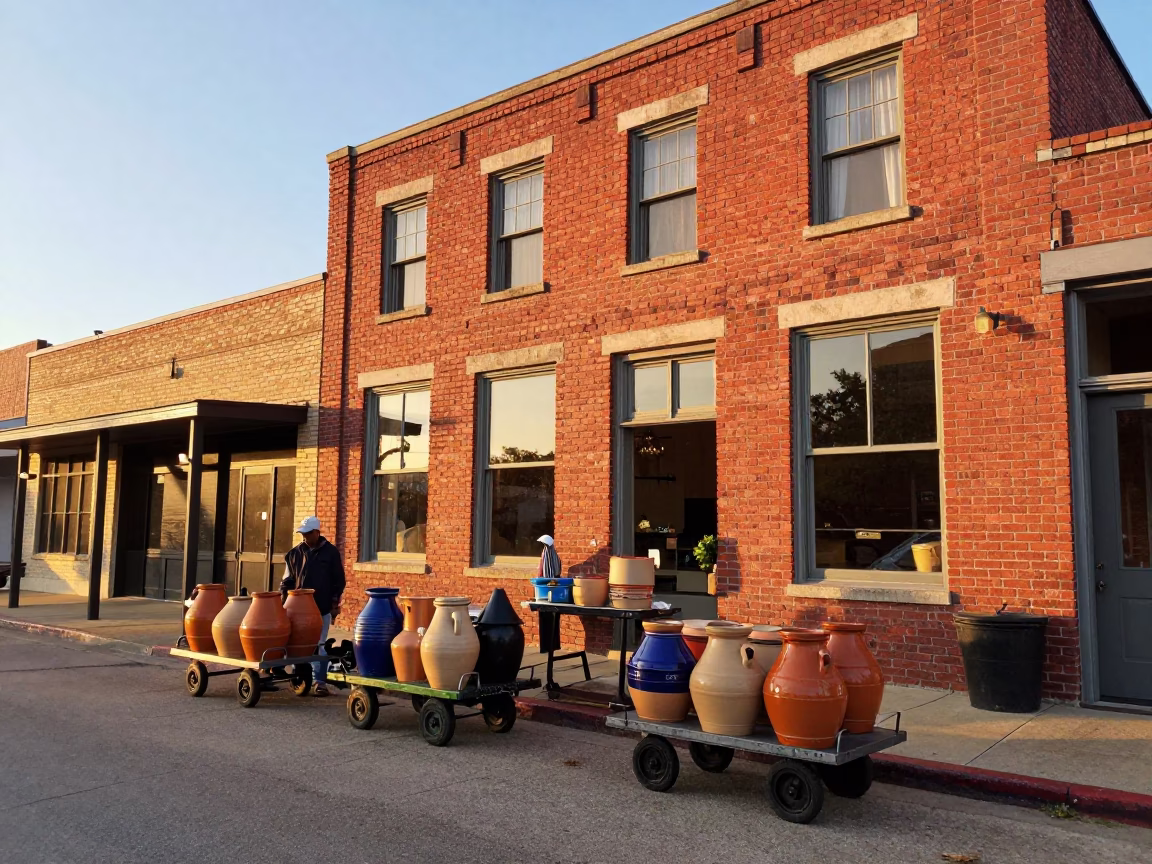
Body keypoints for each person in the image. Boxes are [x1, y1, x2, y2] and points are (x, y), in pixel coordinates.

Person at [280, 516, 345, 697]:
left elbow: (339, 581)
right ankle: (299, 677)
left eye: (308, 534)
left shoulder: (331, 553)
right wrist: (283, 602)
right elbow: (287, 580)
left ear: (317, 532)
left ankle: (320, 682)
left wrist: (334, 603)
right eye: (303, 534)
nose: (305, 537)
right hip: (297, 610)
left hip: (321, 608)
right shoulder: (294, 554)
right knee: (297, 644)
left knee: (320, 644)